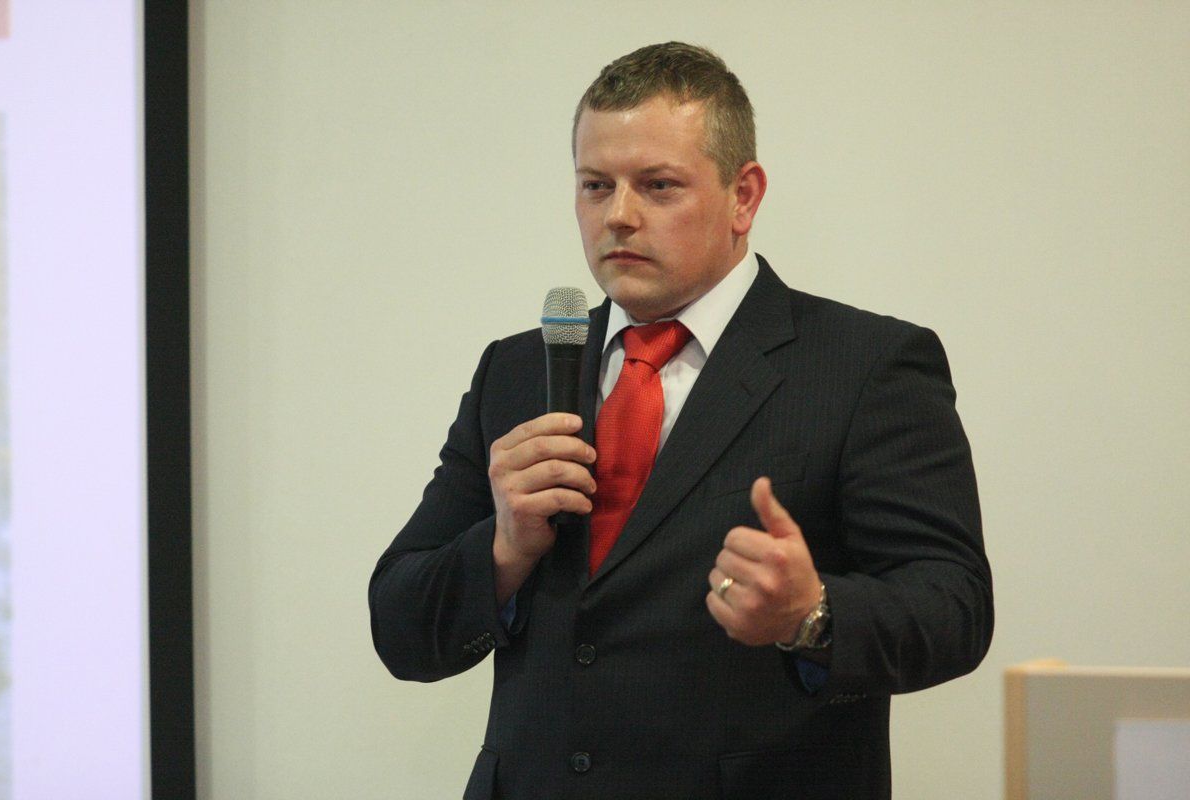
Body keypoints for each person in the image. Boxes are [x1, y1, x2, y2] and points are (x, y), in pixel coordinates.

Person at [369, 42, 992, 800]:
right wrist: (503, 550)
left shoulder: (866, 365)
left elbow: (954, 606)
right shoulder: (517, 370)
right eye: (595, 186)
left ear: (744, 196)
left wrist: (813, 614)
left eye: (658, 186)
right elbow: (400, 627)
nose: (618, 216)